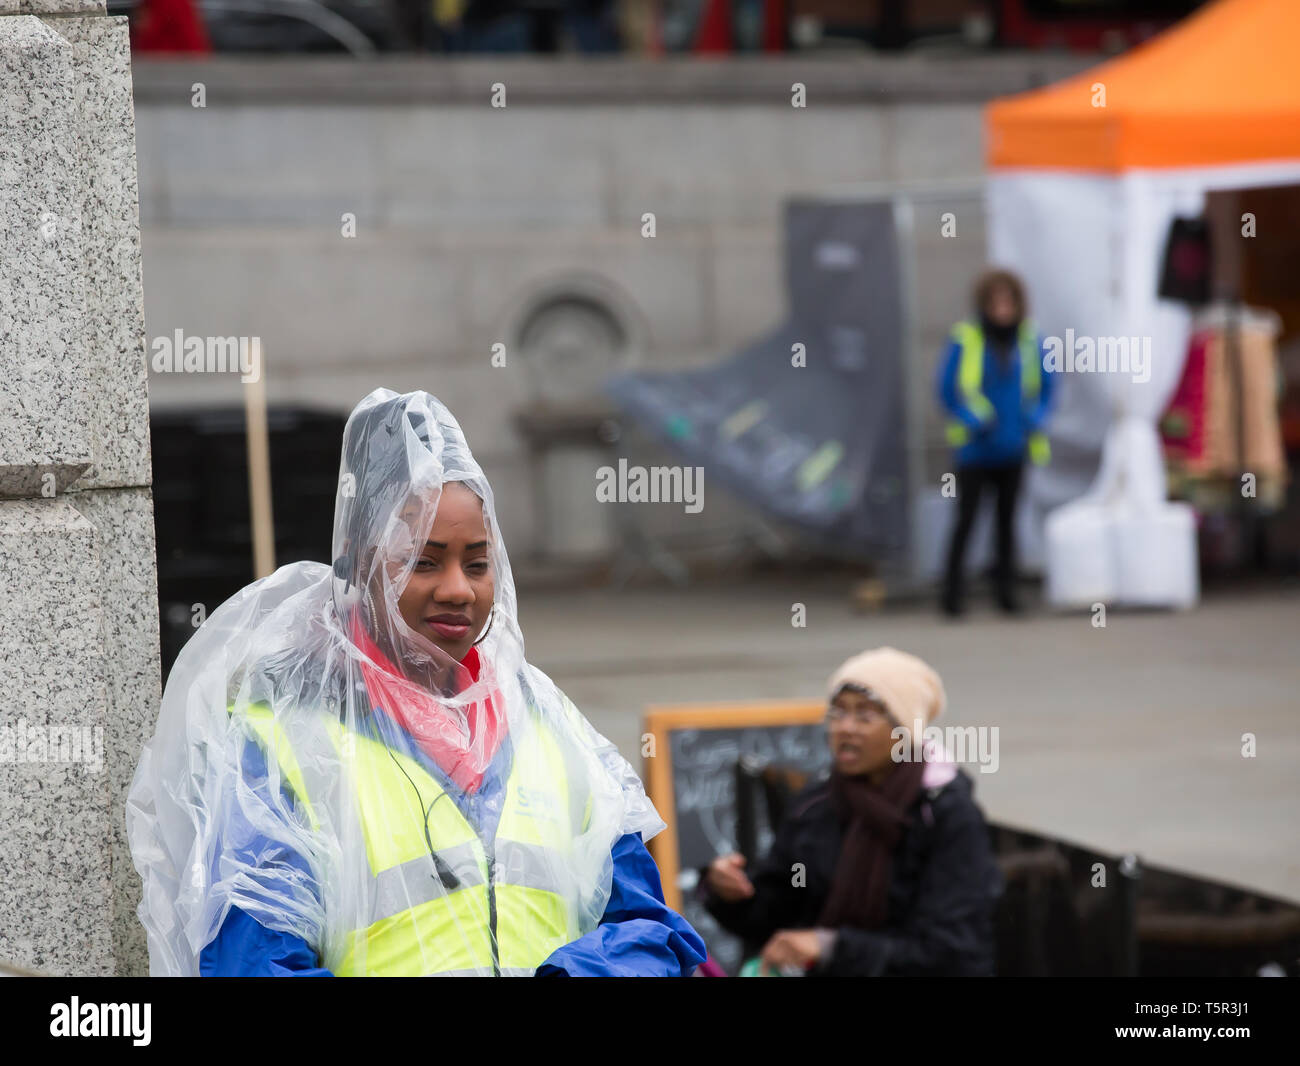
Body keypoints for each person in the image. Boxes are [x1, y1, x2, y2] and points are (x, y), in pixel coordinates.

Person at [127, 388, 706, 976]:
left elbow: (647, 927)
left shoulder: (549, 724)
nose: (458, 588)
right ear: (356, 561)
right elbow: (250, 964)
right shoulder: (286, 744)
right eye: (423, 562)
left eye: (477, 563)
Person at [700, 647, 1001, 976]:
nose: (845, 728)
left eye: (865, 715)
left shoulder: (945, 814)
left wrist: (832, 946)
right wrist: (729, 891)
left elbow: (951, 950)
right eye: (838, 712)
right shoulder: (819, 803)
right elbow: (777, 910)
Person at [936, 268, 1056, 616]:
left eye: (1008, 301)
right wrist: (974, 418)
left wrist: (1033, 420)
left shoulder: (1031, 340)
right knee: (966, 521)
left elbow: (1047, 388)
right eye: (996, 302)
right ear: (984, 304)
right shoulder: (966, 337)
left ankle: (1006, 594)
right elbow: (946, 390)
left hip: (1013, 447)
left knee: (1007, 524)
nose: (1002, 309)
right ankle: (952, 596)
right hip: (976, 449)